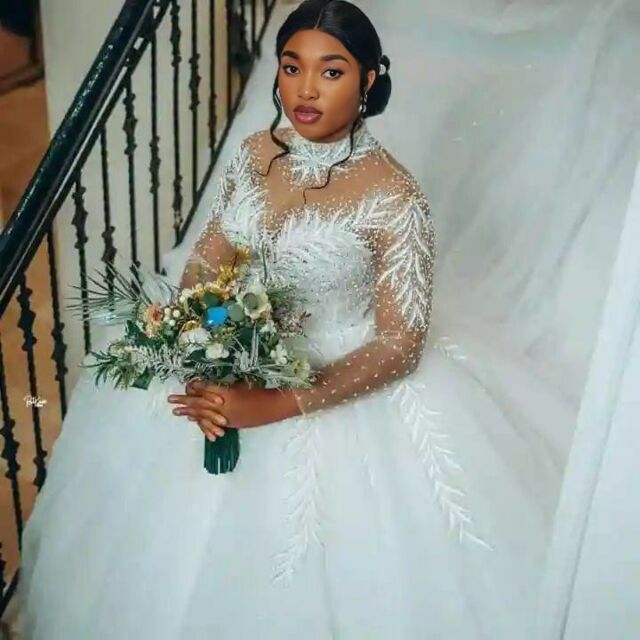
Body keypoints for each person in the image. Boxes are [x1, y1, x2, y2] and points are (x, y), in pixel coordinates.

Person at [15, 1, 564, 637]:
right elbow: (208, 259)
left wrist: (273, 404)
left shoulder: (395, 198)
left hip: (338, 380)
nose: (305, 89)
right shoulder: (255, 153)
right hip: (235, 353)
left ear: (369, 80)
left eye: (331, 71)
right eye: (291, 65)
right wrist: (199, 350)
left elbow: (400, 343)